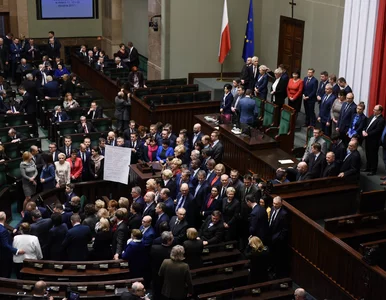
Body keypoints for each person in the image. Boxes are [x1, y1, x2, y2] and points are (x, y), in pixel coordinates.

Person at [362, 105, 385, 176]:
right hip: (367, 139)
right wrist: (363, 130)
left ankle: (373, 170)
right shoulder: (372, 116)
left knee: (373, 155)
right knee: (368, 153)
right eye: (374, 109)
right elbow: (367, 125)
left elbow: (377, 130)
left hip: (374, 140)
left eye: (375, 110)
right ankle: (368, 167)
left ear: (380, 111)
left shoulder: (381, 120)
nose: (373, 110)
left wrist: (368, 134)